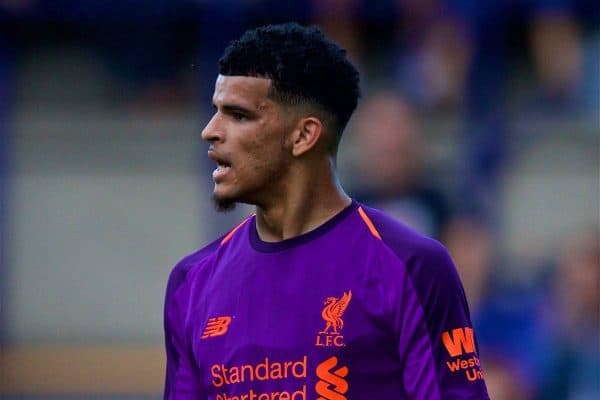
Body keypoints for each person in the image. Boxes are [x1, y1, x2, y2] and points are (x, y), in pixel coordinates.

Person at [163, 22, 489, 400]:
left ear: (304, 135)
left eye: (238, 115)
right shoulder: (192, 281)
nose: (210, 130)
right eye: (215, 111)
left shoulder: (413, 266)